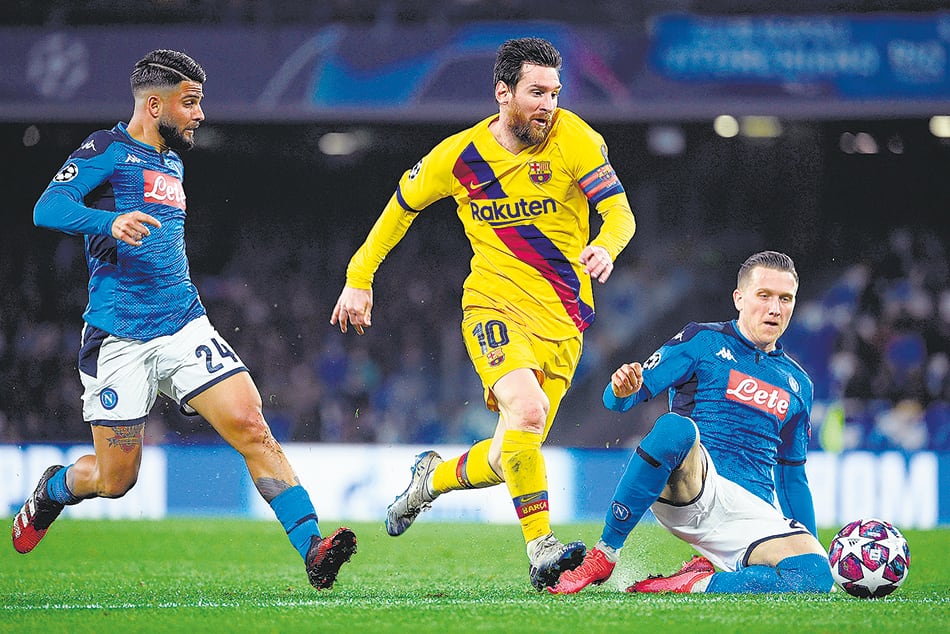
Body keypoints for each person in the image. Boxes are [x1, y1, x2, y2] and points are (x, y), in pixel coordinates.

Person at [11, 49, 356, 590]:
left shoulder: (172, 161)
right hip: (118, 339)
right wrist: (109, 219)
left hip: (183, 324)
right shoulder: (107, 150)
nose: (199, 114)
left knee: (252, 426)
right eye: (190, 103)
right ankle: (53, 490)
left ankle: (312, 548)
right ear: (154, 104)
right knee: (114, 479)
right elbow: (46, 208)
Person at [330, 37, 635, 590]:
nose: (549, 103)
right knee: (526, 407)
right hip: (492, 306)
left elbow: (619, 214)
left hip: (564, 322)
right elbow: (400, 210)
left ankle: (430, 481)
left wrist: (606, 247)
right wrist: (358, 277)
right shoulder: (459, 157)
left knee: (510, 450)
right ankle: (541, 547)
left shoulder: (577, 139)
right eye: (537, 92)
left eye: (555, 92)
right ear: (503, 92)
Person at [550, 250, 835, 594]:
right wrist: (621, 389)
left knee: (816, 576)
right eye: (764, 296)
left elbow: (792, 475)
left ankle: (694, 583)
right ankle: (605, 554)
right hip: (695, 484)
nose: (775, 308)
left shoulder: (798, 383)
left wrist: (807, 543)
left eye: (785, 299)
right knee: (675, 427)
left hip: (752, 512)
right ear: (739, 298)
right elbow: (618, 402)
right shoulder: (703, 341)